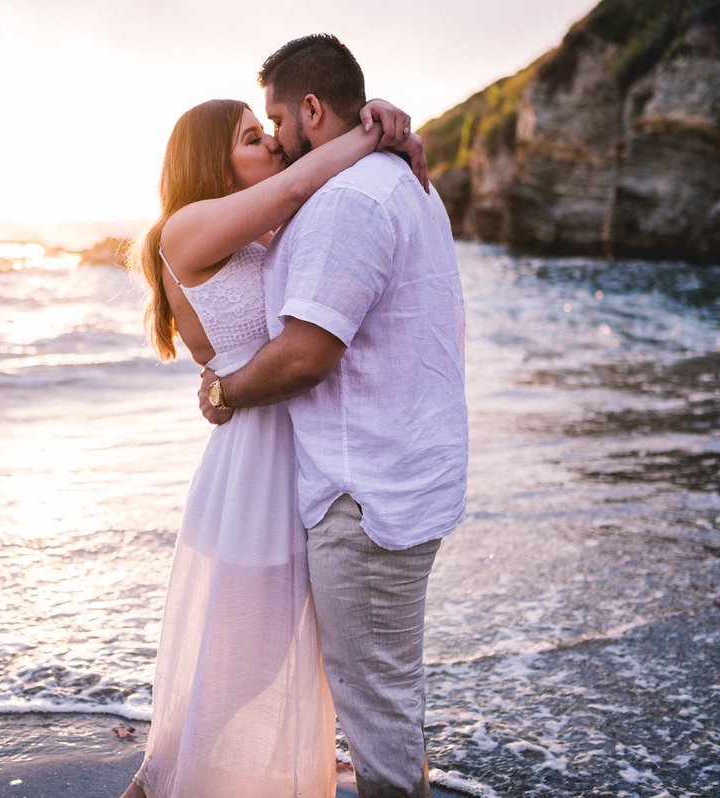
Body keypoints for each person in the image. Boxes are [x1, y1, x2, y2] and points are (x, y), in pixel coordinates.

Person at [118, 92, 426, 798]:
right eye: (252, 138)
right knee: (243, 666)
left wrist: (367, 119)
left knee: (297, 654)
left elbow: (312, 194)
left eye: (268, 131)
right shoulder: (187, 228)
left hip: (297, 453)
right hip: (254, 469)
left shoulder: (261, 230)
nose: (272, 145)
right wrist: (372, 131)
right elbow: (299, 180)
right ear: (210, 163)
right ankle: (155, 784)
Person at [197, 34, 468, 798]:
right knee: (386, 687)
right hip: (402, 467)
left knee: (374, 700)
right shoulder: (398, 179)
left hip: (365, 490)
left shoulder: (347, 201)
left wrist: (226, 392)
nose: (275, 138)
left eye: (276, 119)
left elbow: (306, 354)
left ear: (311, 110)